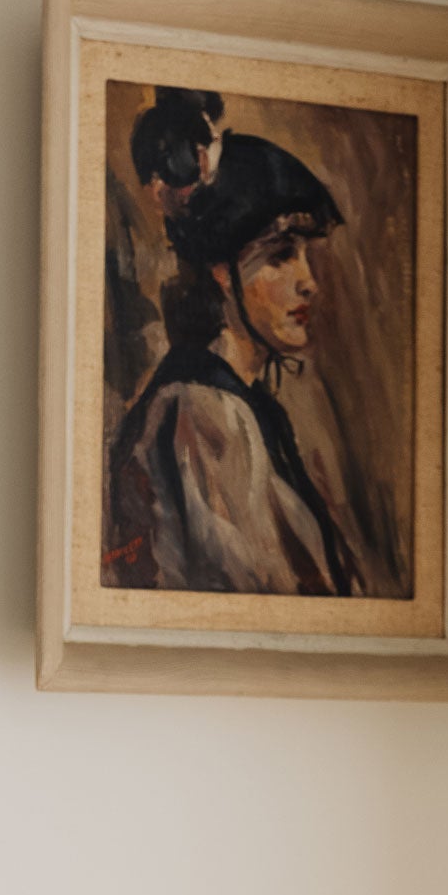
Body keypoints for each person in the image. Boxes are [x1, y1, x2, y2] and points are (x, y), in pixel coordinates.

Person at [106, 126, 365, 597]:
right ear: (223, 272)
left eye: (306, 254)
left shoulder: (248, 409)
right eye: (281, 255)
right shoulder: (202, 413)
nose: (309, 282)